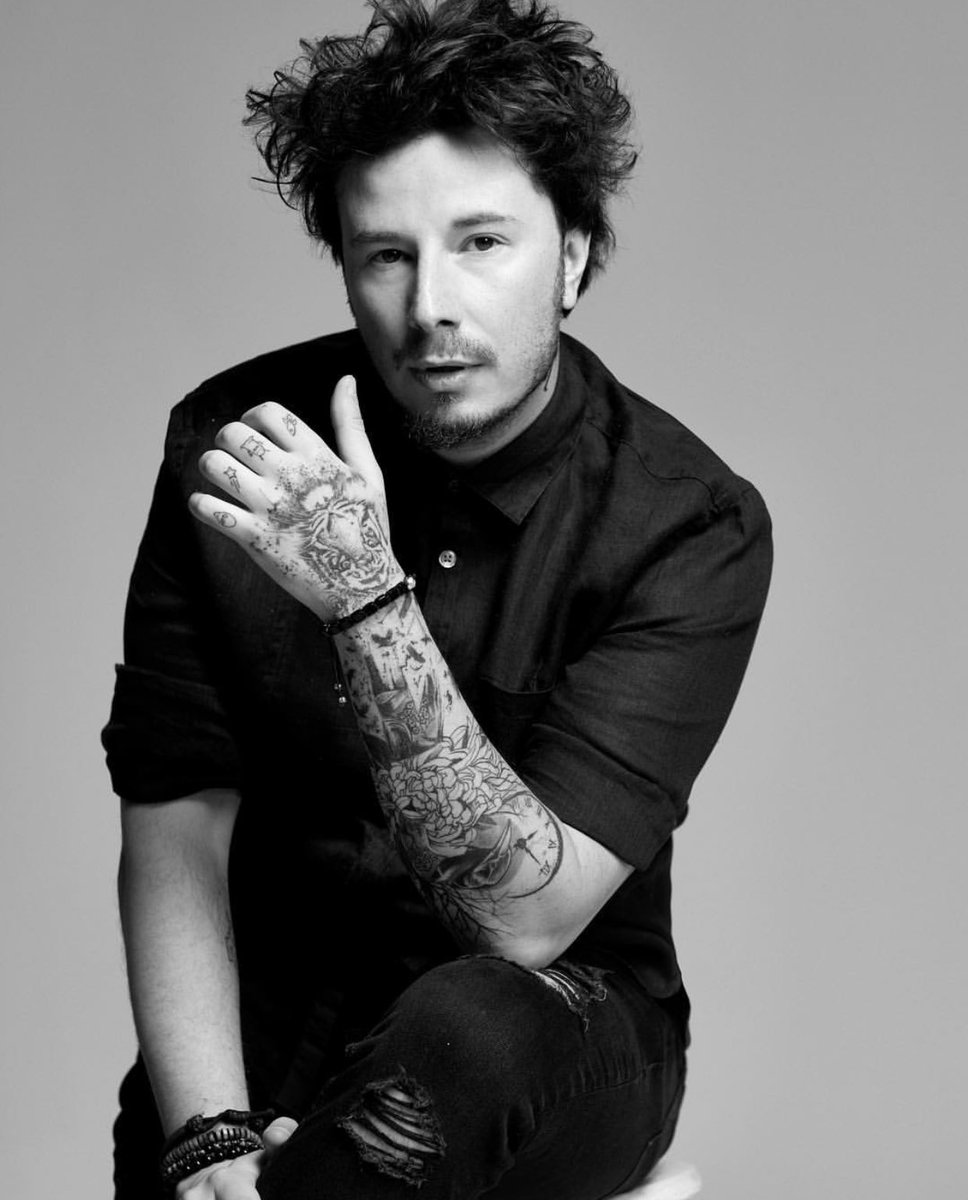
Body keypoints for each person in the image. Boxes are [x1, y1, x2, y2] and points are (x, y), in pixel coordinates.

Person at [103, 1, 772, 1197]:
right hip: (273, 1030)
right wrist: (206, 1136)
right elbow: (175, 819)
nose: (430, 308)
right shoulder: (240, 450)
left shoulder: (686, 523)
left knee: (460, 1039)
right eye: (386, 255)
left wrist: (364, 601)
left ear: (571, 257)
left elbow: (525, 920)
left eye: (481, 243)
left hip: (552, 1035)